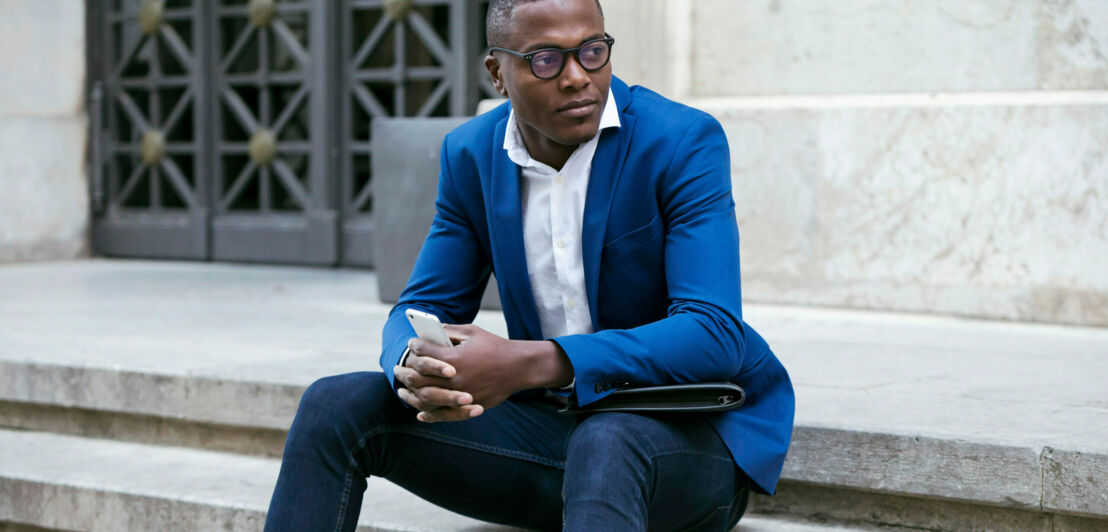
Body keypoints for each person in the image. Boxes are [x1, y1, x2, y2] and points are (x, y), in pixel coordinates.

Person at [264, 0, 794, 530]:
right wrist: (415, 363)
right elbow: (423, 304)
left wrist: (530, 362)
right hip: (552, 436)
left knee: (606, 441)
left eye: (592, 52)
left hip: (682, 436)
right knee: (334, 405)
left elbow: (714, 333)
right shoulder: (471, 154)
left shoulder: (680, 141)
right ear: (498, 71)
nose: (576, 78)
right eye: (546, 59)